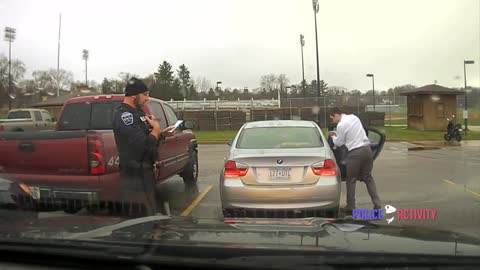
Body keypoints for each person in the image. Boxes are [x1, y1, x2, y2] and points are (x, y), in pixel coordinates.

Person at [112, 77, 174, 216]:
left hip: (145, 173)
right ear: (134, 94)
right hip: (134, 176)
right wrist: (156, 130)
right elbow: (143, 146)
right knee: (139, 217)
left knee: (152, 212)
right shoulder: (125, 116)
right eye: (145, 94)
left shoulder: (138, 114)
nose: (147, 98)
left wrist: (159, 133)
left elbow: (150, 142)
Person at [328, 107, 381, 214]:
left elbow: (339, 143)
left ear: (336, 115)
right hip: (367, 150)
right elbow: (354, 133)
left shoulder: (341, 125)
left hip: (355, 153)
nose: (332, 120)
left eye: (332, 118)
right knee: (368, 178)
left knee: (351, 180)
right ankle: (377, 204)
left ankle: (351, 206)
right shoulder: (354, 117)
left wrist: (333, 136)